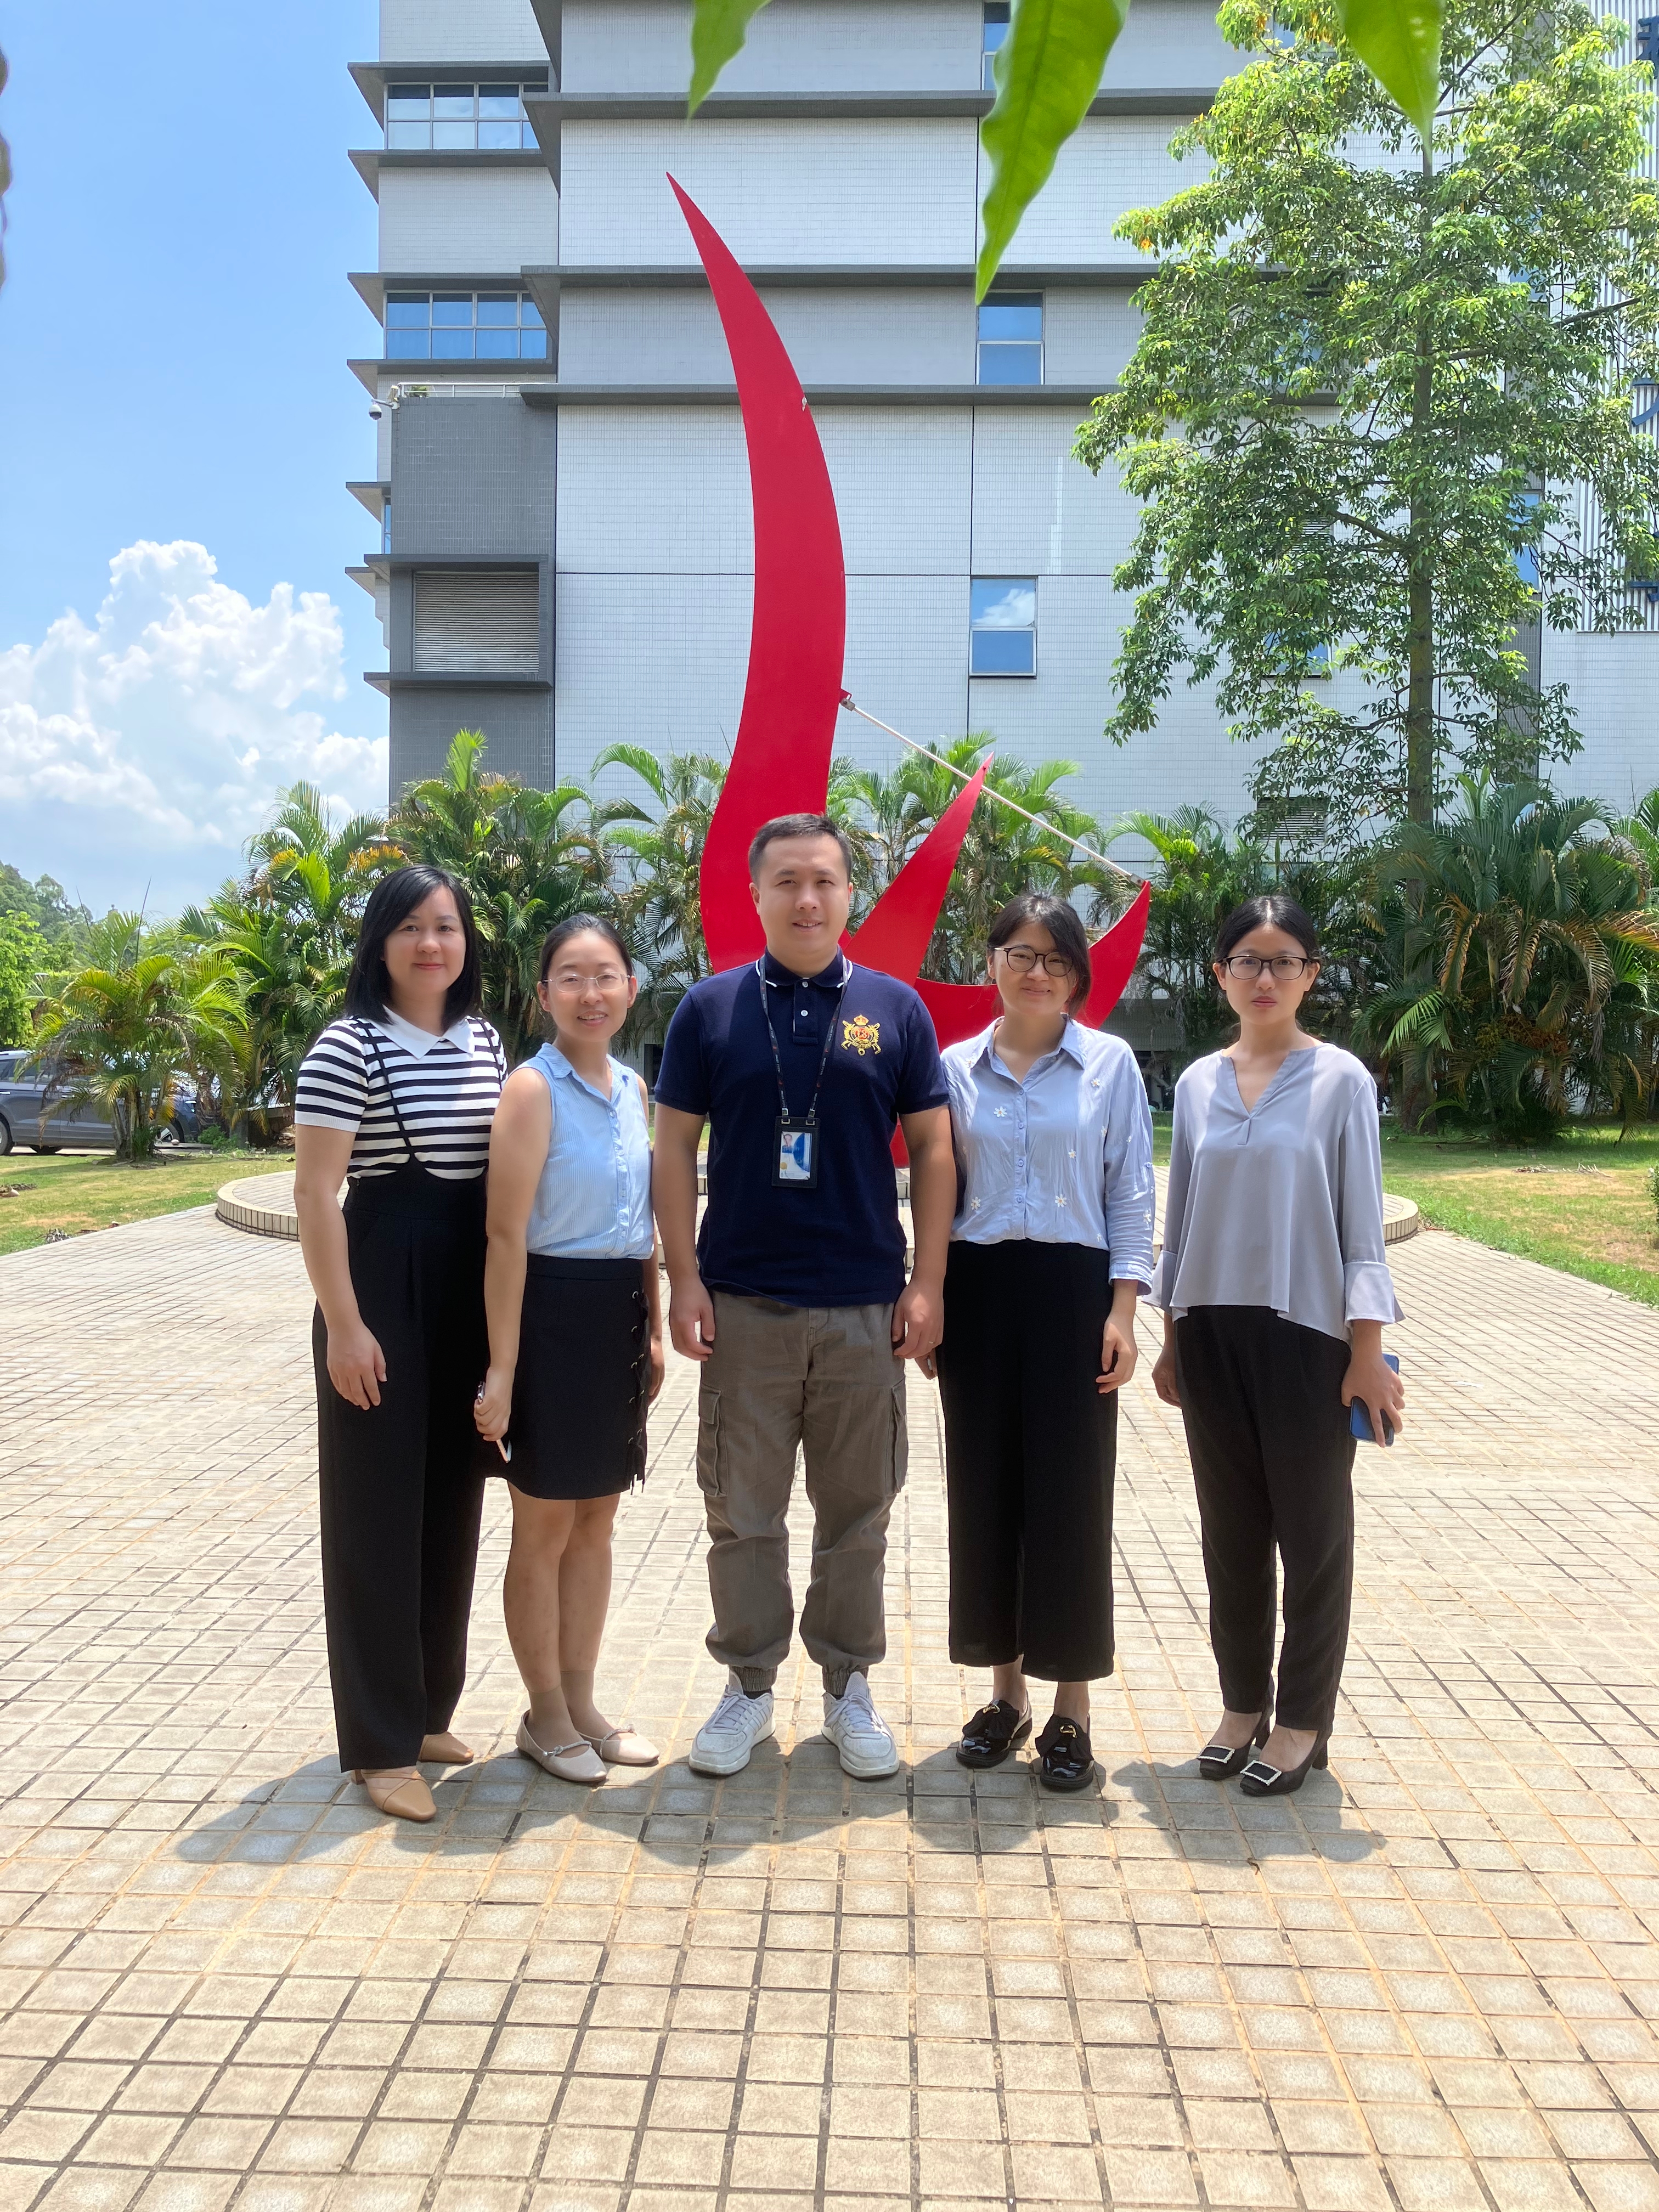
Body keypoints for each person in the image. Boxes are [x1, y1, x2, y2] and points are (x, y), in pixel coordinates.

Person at [652, 813, 956, 1779]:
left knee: (857, 1511)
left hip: (865, 1305)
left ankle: (846, 1686)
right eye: (787, 880)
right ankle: (747, 1685)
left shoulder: (895, 1010)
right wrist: (684, 1276)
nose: (808, 898)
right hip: (743, 1305)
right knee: (743, 1510)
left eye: (825, 880)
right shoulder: (709, 1010)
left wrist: (928, 1282)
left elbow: (938, 1149)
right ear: (757, 892)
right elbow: (672, 1149)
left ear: (849, 893)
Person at [1150, 894, 1406, 1797]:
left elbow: (1361, 1227)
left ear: (1311, 975)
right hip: (1212, 1334)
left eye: (1284, 960)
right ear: (1219, 974)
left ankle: (1302, 1723)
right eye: (1247, 961)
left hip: (1310, 1339)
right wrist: (1173, 1340)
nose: (1265, 977)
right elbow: (1178, 1224)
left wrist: (1366, 1352)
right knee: (1231, 1538)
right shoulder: (1194, 1084)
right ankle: (1239, 1709)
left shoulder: (1341, 1082)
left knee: (1315, 1535)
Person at [292, 866, 505, 1824]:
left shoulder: (488, 1040)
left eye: (447, 927)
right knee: (377, 1515)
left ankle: (425, 1712)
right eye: (412, 927)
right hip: (382, 1284)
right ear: (380, 943)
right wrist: (344, 1324)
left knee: (451, 1506)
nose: (432, 944)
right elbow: (314, 1197)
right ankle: (378, 1744)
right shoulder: (349, 1045)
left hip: (468, 1286)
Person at [936, 893, 1156, 1792]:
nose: (1037, 972)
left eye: (1057, 959)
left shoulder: (1110, 1065)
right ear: (990, 961)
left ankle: (1071, 1709)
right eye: (1019, 953)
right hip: (978, 1292)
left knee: (1070, 1498)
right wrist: (928, 1298)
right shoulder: (952, 1068)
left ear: (1078, 975)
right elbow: (934, 1196)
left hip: (1074, 1294)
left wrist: (1123, 1311)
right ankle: (1006, 1694)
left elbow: (1132, 1193)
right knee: (985, 1490)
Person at [473, 914, 664, 1784]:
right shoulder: (531, 1090)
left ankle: (583, 1701)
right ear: (544, 993)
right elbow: (506, 1237)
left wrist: (654, 1328)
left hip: (618, 1312)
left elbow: (645, 1230)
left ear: (630, 988)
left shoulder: (633, 1086)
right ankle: (543, 1712)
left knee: (598, 1519)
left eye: (607, 976)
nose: (592, 993)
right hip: (549, 1313)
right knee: (544, 1523)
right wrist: (504, 1370)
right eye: (572, 978)